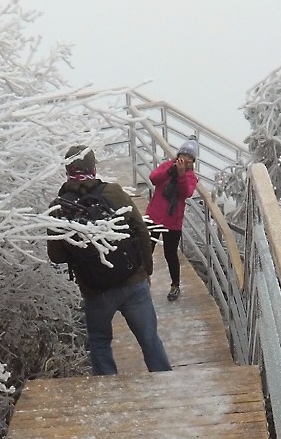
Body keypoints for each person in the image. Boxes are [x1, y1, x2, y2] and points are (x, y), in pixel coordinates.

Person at [47, 148, 172, 376]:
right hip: (132, 280)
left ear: (67, 169)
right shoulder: (113, 192)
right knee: (149, 339)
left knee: (100, 342)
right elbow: (142, 231)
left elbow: (56, 256)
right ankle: (164, 381)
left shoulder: (58, 207)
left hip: (96, 289)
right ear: (93, 167)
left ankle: (107, 390)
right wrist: (147, 271)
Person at [145, 138, 201, 301]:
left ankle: (175, 285)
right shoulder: (167, 166)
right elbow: (154, 178)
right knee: (146, 249)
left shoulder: (191, 176)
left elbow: (186, 193)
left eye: (188, 157)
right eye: (182, 155)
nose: (184, 159)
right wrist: (170, 171)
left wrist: (182, 174)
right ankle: (143, 281)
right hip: (154, 215)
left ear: (193, 161)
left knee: (170, 254)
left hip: (172, 221)